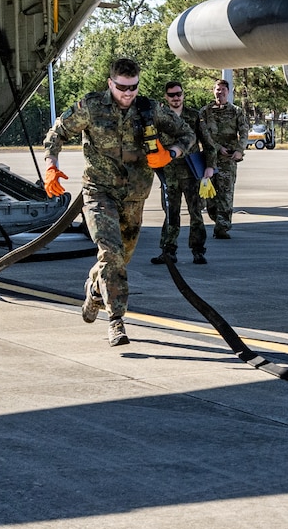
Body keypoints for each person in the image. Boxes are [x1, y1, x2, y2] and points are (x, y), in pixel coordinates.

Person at [42, 58, 197, 347]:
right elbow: (58, 132)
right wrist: (51, 164)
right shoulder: (91, 106)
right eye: (122, 87)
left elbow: (187, 134)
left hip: (135, 195)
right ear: (110, 83)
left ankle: (95, 291)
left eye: (133, 87)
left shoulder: (150, 109)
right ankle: (116, 321)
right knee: (110, 252)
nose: (128, 93)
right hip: (98, 191)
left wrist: (171, 153)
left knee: (119, 258)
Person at [148, 80, 214, 266]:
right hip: (168, 172)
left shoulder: (193, 116)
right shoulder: (160, 117)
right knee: (171, 212)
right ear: (166, 97)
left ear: (183, 95)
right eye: (171, 95)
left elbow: (208, 143)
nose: (175, 98)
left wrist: (210, 166)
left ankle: (198, 251)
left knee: (196, 212)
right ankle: (168, 251)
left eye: (178, 94)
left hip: (191, 171)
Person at [199, 77, 250, 239]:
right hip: (209, 160)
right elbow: (202, 134)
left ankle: (222, 227)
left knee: (226, 194)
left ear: (228, 92)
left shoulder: (236, 111)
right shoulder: (205, 112)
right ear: (213, 91)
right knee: (210, 197)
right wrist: (216, 147)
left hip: (228, 160)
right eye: (217, 89)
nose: (220, 92)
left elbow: (244, 131)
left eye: (223, 90)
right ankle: (217, 218)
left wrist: (240, 150)